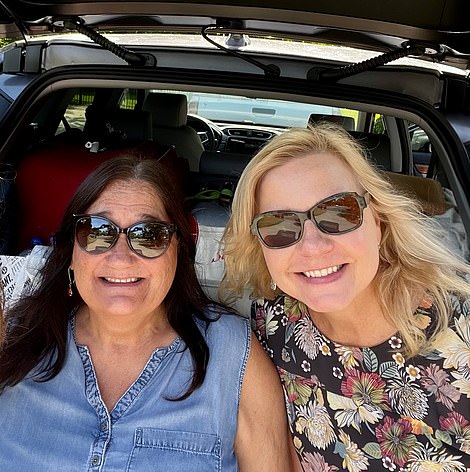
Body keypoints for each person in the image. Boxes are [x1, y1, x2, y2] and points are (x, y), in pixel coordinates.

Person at [0, 155, 294, 471]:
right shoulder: (13, 335)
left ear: (179, 252)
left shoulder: (234, 354)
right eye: (98, 231)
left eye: (149, 235)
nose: (122, 257)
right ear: (71, 252)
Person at [222, 124, 470, 471]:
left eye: (338, 212)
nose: (313, 247)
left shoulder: (461, 328)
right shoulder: (276, 326)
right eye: (279, 226)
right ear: (261, 247)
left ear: (379, 221)